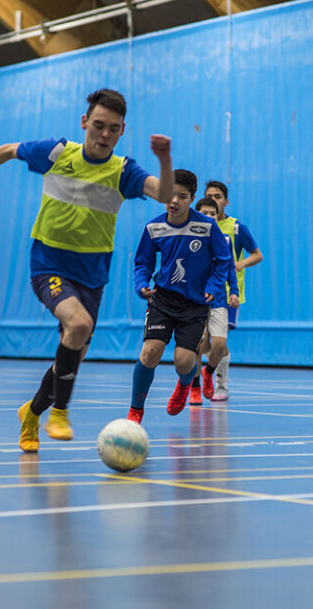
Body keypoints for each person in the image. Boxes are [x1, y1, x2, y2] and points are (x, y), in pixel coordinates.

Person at [0, 89, 172, 452]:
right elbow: (6, 150)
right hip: (49, 265)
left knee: (73, 348)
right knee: (79, 325)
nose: (103, 134)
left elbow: (164, 194)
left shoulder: (123, 172)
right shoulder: (57, 153)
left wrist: (165, 158)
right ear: (84, 122)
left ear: (122, 130)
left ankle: (31, 413)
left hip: (92, 275)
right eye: (97, 125)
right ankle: (60, 411)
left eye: (112, 128)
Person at [127, 170, 231, 424]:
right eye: (170, 194)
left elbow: (223, 259)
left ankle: (186, 384)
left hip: (195, 304)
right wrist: (142, 284)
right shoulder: (154, 227)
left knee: (184, 362)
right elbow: (142, 262)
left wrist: (214, 285)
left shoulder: (206, 227)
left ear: (192, 198)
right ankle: (135, 411)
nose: (174, 201)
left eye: (182, 196)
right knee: (150, 353)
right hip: (162, 300)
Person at [199, 180, 262, 400]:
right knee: (203, 342)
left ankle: (221, 386)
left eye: (217, 196)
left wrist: (239, 264)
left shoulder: (236, 228)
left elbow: (257, 254)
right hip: (201, 293)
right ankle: (200, 380)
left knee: (219, 340)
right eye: (209, 196)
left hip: (228, 294)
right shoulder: (199, 225)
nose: (214, 200)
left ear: (225, 201)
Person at [188, 197, 239, 405]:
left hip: (218, 300)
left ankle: (209, 372)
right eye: (204, 213)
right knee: (196, 347)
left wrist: (233, 291)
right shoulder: (187, 238)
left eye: (213, 213)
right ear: (196, 214)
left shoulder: (224, 240)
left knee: (219, 344)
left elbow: (228, 268)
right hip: (193, 300)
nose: (209, 217)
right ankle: (195, 386)